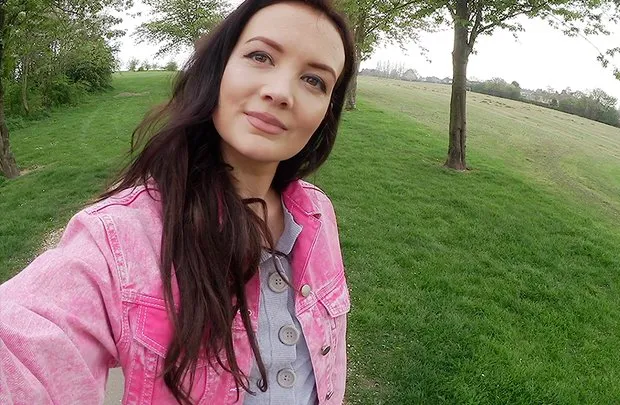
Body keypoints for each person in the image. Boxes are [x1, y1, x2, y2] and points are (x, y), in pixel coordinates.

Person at [0, 0, 355, 403]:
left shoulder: (316, 214)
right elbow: (23, 344)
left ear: (327, 112)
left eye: (314, 81)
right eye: (261, 56)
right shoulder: (120, 238)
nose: (280, 92)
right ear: (218, 69)